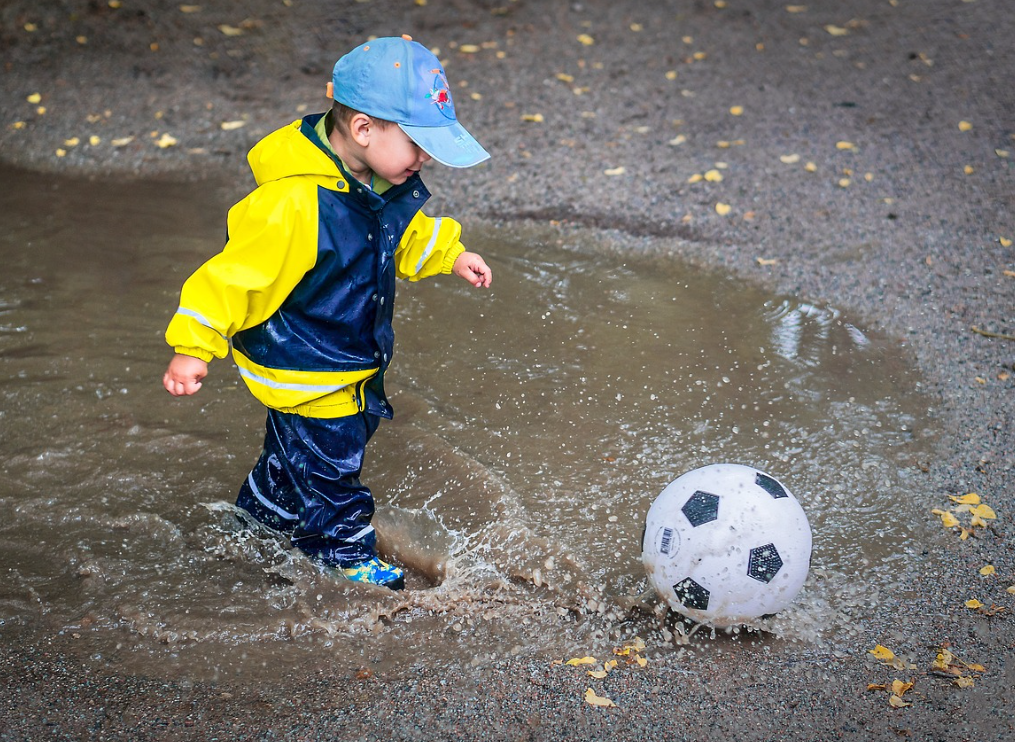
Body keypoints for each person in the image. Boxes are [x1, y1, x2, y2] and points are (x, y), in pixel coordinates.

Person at [162, 35, 492, 591]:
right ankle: (341, 555)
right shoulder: (292, 203)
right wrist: (193, 348)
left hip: (335, 356)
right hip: (309, 364)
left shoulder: (373, 181)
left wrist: (451, 255)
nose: (426, 158)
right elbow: (233, 276)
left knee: (293, 454)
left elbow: (397, 238)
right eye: (418, 143)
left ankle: (257, 520)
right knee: (335, 470)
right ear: (364, 129)